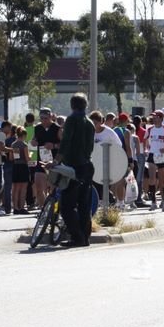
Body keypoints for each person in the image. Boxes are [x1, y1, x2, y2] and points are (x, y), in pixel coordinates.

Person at [57, 93, 96, 247]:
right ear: (85, 105)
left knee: (67, 206)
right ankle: (85, 237)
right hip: (87, 165)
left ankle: (77, 237)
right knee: (84, 204)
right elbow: (90, 148)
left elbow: (66, 142)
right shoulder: (90, 123)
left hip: (73, 166)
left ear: (72, 105)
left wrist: (57, 160)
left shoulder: (72, 120)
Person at [143, 110, 164, 211]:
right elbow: (144, 140)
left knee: (163, 180)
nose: (154, 118)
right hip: (152, 155)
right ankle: (153, 202)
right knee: (152, 179)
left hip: (163, 155)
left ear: (161, 118)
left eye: (156, 117)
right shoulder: (149, 129)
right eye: (153, 117)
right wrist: (146, 149)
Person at [31, 108, 60, 210]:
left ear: (51, 117)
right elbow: (34, 140)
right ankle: (43, 209)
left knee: (53, 189)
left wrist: (54, 146)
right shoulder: (37, 128)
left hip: (54, 161)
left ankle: (54, 210)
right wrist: (33, 142)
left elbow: (64, 146)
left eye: (46, 118)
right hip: (41, 160)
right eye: (42, 118)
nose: (44, 120)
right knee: (39, 188)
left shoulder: (57, 128)